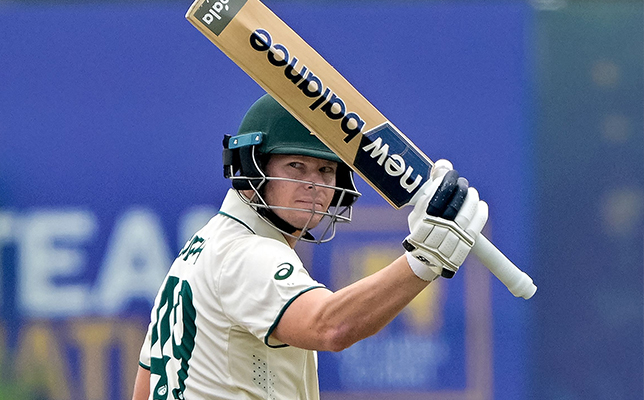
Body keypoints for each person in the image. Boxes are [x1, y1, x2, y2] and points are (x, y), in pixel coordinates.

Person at [131, 94, 488, 400]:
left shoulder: (200, 248)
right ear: (249, 167)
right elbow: (329, 326)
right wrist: (422, 262)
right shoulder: (250, 254)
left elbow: (144, 389)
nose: (314, 184)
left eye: (326, 171)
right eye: (296, 166)